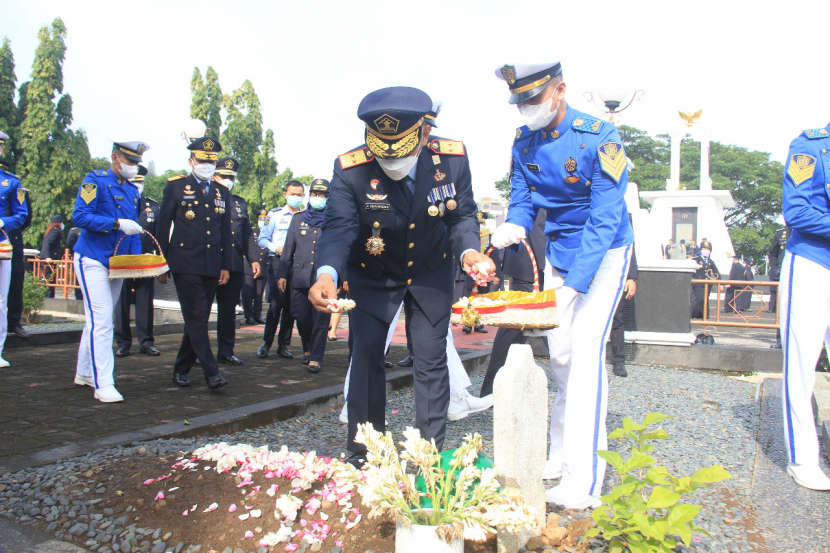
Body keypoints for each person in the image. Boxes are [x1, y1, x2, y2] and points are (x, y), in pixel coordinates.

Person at [308, 86, 490, 467]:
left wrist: (469, 249)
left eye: (402, 149)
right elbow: (339, 227)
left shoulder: (451, 158)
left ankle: (428, 453)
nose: (391, 161)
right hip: (372, 274)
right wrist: (326, 274)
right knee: (367, 357)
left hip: (429, 269)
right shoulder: (350, 168)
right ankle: (365, 452)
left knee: (430, 358)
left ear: (424, 133)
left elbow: (462, 215)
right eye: (382, 149)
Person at [492, 61, 633, 509]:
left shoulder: (598, 136)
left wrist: (576, 284)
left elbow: (607, 216)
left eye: (533, 99)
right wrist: (512, 226)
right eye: (519, 102)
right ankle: (559, 451)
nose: (526, 109)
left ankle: (583, 479)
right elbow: (522, 194)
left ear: (560, 90)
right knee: (561, 357)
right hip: (559, 249)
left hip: (605, 251)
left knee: (587, 354)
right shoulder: (524, 139)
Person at [72, 139, 147, 402]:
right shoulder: (94, 181)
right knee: (103, 320)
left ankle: (83, 372)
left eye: (137, 163)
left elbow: (134, 231)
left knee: (98, 320)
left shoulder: (132, 191)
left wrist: (135, 264)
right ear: (115, 158)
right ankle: (103, 382)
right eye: (129, 161)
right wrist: (115, 223)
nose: (133, 167)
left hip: (117, 262)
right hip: (92, 257)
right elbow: (80, 217)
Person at [778, 122, 830, 490]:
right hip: (814, 263)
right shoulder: (811, 146)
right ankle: (803, 459)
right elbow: (796, 212)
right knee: (801, 364)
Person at [156, 137, 231, 391]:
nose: (207, 165)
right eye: (202, 160)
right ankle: (211, 372)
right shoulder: (177, 187)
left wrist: (225, 265)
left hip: (212, 263)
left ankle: (181, 368)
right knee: (197, 317)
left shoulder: (223, 192)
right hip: (184, 261)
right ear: (191, 161)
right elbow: (162, 225)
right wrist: (160, 262)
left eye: (212, 161)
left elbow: (226, 231)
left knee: (197, 317)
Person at [480, 209, 547, 396]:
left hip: (545, 264)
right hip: (531, 266)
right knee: (512, 331)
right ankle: (491, 391)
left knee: (555, 332)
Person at [277, 179, 332, 373]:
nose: (318, 198)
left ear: (328, 197)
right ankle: (307, 347)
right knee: (301, 317)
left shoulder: (333, 219)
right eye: (315, 194)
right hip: (299, 276)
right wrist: (282, 275)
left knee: (321, 319)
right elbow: (288, 249)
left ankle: (316, 357)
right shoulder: (298, 218)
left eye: (322, 195)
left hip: (323, 276)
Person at [213, 157, 259, 364]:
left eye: (231, 177)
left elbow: (247, 234)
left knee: (228, 310)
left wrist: (253, 259)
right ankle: (194, 352)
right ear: (214, 176)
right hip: (210, 261)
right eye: (224, 176)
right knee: (200, 311)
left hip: (233, 262)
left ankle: (226, 350)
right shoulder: (206, 197)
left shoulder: (238, 202)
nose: (228, 180)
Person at [114, 165, 161, 357]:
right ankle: (123, 343)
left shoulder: (153, 206)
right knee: (122, 300)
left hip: (145, 258)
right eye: (134, 182)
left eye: (140, 182)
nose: (137, 186)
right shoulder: (118, 202)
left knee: (145, 301)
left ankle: (146, 342)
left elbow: (158, 233)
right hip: (123, 258)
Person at [256, 181, 306, 359]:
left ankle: (283, 345)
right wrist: (276, 247)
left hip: (297, 264)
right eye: (293, 194)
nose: (296, 197)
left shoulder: (305, 216)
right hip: (278, 261)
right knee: (276, 305)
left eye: (299, 194)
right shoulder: (275, 215)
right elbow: (262, 239)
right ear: (285, 195)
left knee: (291, 307)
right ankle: (266, 342)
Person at [0, 130, 30, 365]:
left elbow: (21, 215)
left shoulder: (12, 182)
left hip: (2, 242)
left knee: (1, 298)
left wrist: (3, 222)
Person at [609, 244, 638, 377]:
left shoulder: (626, 221)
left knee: (616, 318)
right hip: (593, 271)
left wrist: (631, 277)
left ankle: (618, 360)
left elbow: (630, 247)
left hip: (616, 274)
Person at [242, 211, 269, 325]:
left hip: (263, 267)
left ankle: (257, 315)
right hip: (249, 267)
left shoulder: (269, 234)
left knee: (259, 294)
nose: (262, 222)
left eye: (264, 219)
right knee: (248, 293)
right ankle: (248, 316)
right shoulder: (252, 232)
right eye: (260, 219)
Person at [768, 227, 790, 348]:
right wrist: (775, 269)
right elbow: (773, 254)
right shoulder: (781, 233)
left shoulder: (805, 230)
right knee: (782, 308)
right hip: (783, 275)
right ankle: (780, 339)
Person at [690, 240, 719, 319]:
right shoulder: (696, 260)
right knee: (700, 298)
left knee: (705, 300)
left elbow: (716, 272)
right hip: (698, 283)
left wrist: (720, 283)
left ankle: (702, 315)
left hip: (707, 284)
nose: (706, 250)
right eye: (704, 248)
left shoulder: (710, 261)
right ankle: (697, 314)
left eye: (707, 249)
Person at [40, 215, 65, 297]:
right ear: (57, 223)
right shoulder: (55, 231)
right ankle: (49, 297)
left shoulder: (50, 231)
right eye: (61, 223)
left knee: (48, 278)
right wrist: (47, 256)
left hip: (47, 257)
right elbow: (47, 243)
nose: (62, 225)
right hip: (50, 258)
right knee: (50, 279)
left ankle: (48, 296)